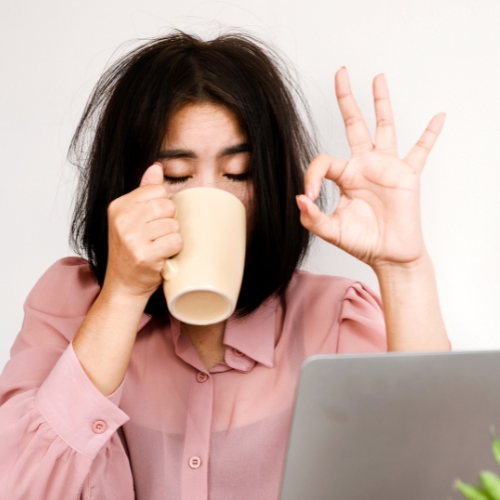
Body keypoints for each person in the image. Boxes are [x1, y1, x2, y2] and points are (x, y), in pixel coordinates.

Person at [0, 31, 450, 499]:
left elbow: (442, 479)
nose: (212, 194)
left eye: (238, 173)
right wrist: (123, 294)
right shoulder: (70, 305)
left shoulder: (335, 319)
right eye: (176, 175)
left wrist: (404, 268)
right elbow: (24, 488)